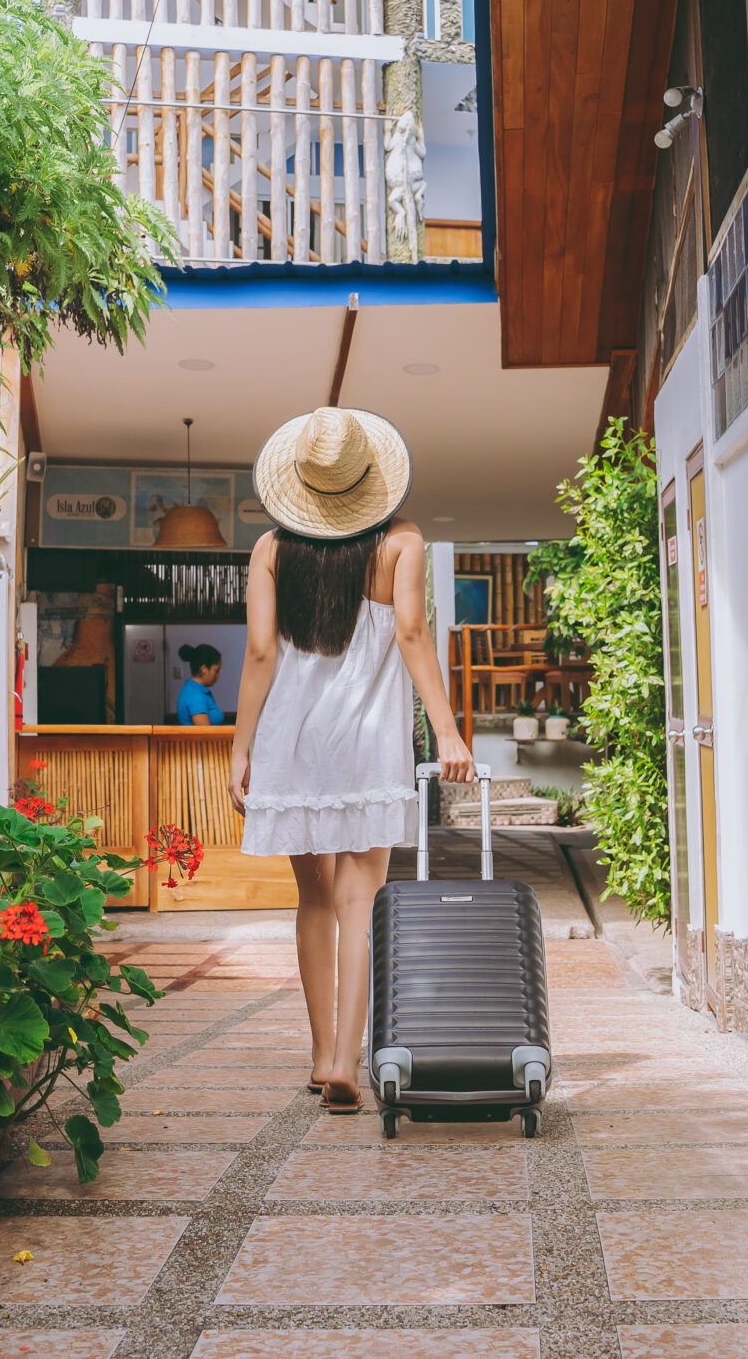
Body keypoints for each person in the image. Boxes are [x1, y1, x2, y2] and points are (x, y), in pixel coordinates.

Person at [229, 406, 475, 1115]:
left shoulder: (271, 549)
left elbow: (261, 653)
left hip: (293, 744)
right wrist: (448, 732)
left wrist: (241, 746)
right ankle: (346, 1059)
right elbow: (412, 633)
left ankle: (319, 1057)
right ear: (370, 479)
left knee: (312, 900)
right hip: (368, 746)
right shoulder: (401, 542)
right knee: (359, 900)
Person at [174, 644, 224, 725]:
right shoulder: (195, 696)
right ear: (204, 669)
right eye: (216, 670)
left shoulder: (194, 691)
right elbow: (204, 732)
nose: (218, 675)